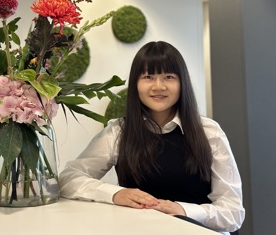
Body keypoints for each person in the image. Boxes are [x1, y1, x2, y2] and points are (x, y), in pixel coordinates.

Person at [59, 41, 245, 234]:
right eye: (148, 76)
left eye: (169, 77)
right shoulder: (119, 131)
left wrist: (184, 210)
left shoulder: (208, 132)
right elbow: (69, 178)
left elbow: (233, 213)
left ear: (182, 83)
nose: (158, 86)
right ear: (136, 83)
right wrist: (115, 194)